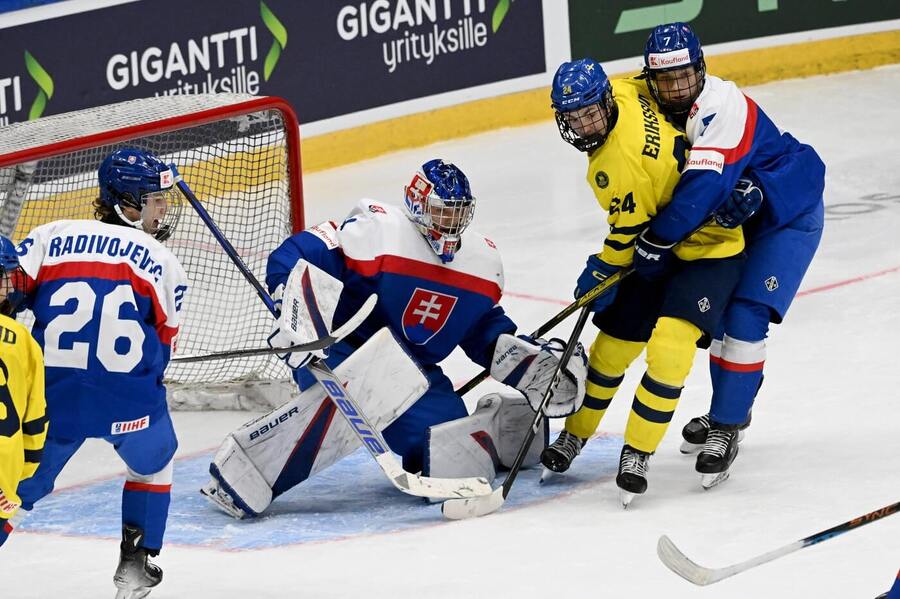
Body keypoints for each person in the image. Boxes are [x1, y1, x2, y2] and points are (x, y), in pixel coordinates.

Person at [201, 158, 587, 518]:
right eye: (441, 210)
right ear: (419, 203)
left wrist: (526, 364)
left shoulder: (480, 262)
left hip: (412, 369)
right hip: (341, 349)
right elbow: (301, 251)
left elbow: (478, 327)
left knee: (448, 451)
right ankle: (242, 474)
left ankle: (503, 425)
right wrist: (293, 306)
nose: (450, 222)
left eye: (458, 212)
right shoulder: (380, 231)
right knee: (372, 383)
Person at [540, 57, 747, 507]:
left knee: (670, 350)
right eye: (573, 117)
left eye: (590, 112)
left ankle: (636, 452)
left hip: (710, 245)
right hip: (660, 246)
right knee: (611, 349)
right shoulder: (623, 89)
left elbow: (628, 233)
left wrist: (601, 270)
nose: (584, 124)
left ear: (605, 102)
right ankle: (574, 436)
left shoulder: (611, 167)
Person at [639, 22, 825, 487]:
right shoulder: (651, 101)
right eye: (666, 80)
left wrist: (656, 240)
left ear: (701, 69)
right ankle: (727, 409)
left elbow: (704, 189)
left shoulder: (723, 109)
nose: (677, 88)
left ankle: (727, 423)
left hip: (788, 217)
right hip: (742, 223)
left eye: (685, 76)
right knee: (719, 318)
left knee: (744, 316)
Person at [13, 148, 188, 598]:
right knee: (156, 461)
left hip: (52, 401)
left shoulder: (50, 236)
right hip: (126, 401)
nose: (163, 209)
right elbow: (164, 343)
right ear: (126, 205)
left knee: (10, 489)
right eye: (154, 200)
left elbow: (9, 300)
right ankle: (134, 567)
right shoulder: (163, 262)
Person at [0, 234, 47, 549]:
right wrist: (23, 469)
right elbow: (35, 421)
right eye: (6, 276)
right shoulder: (23, 340)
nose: (11, 284)